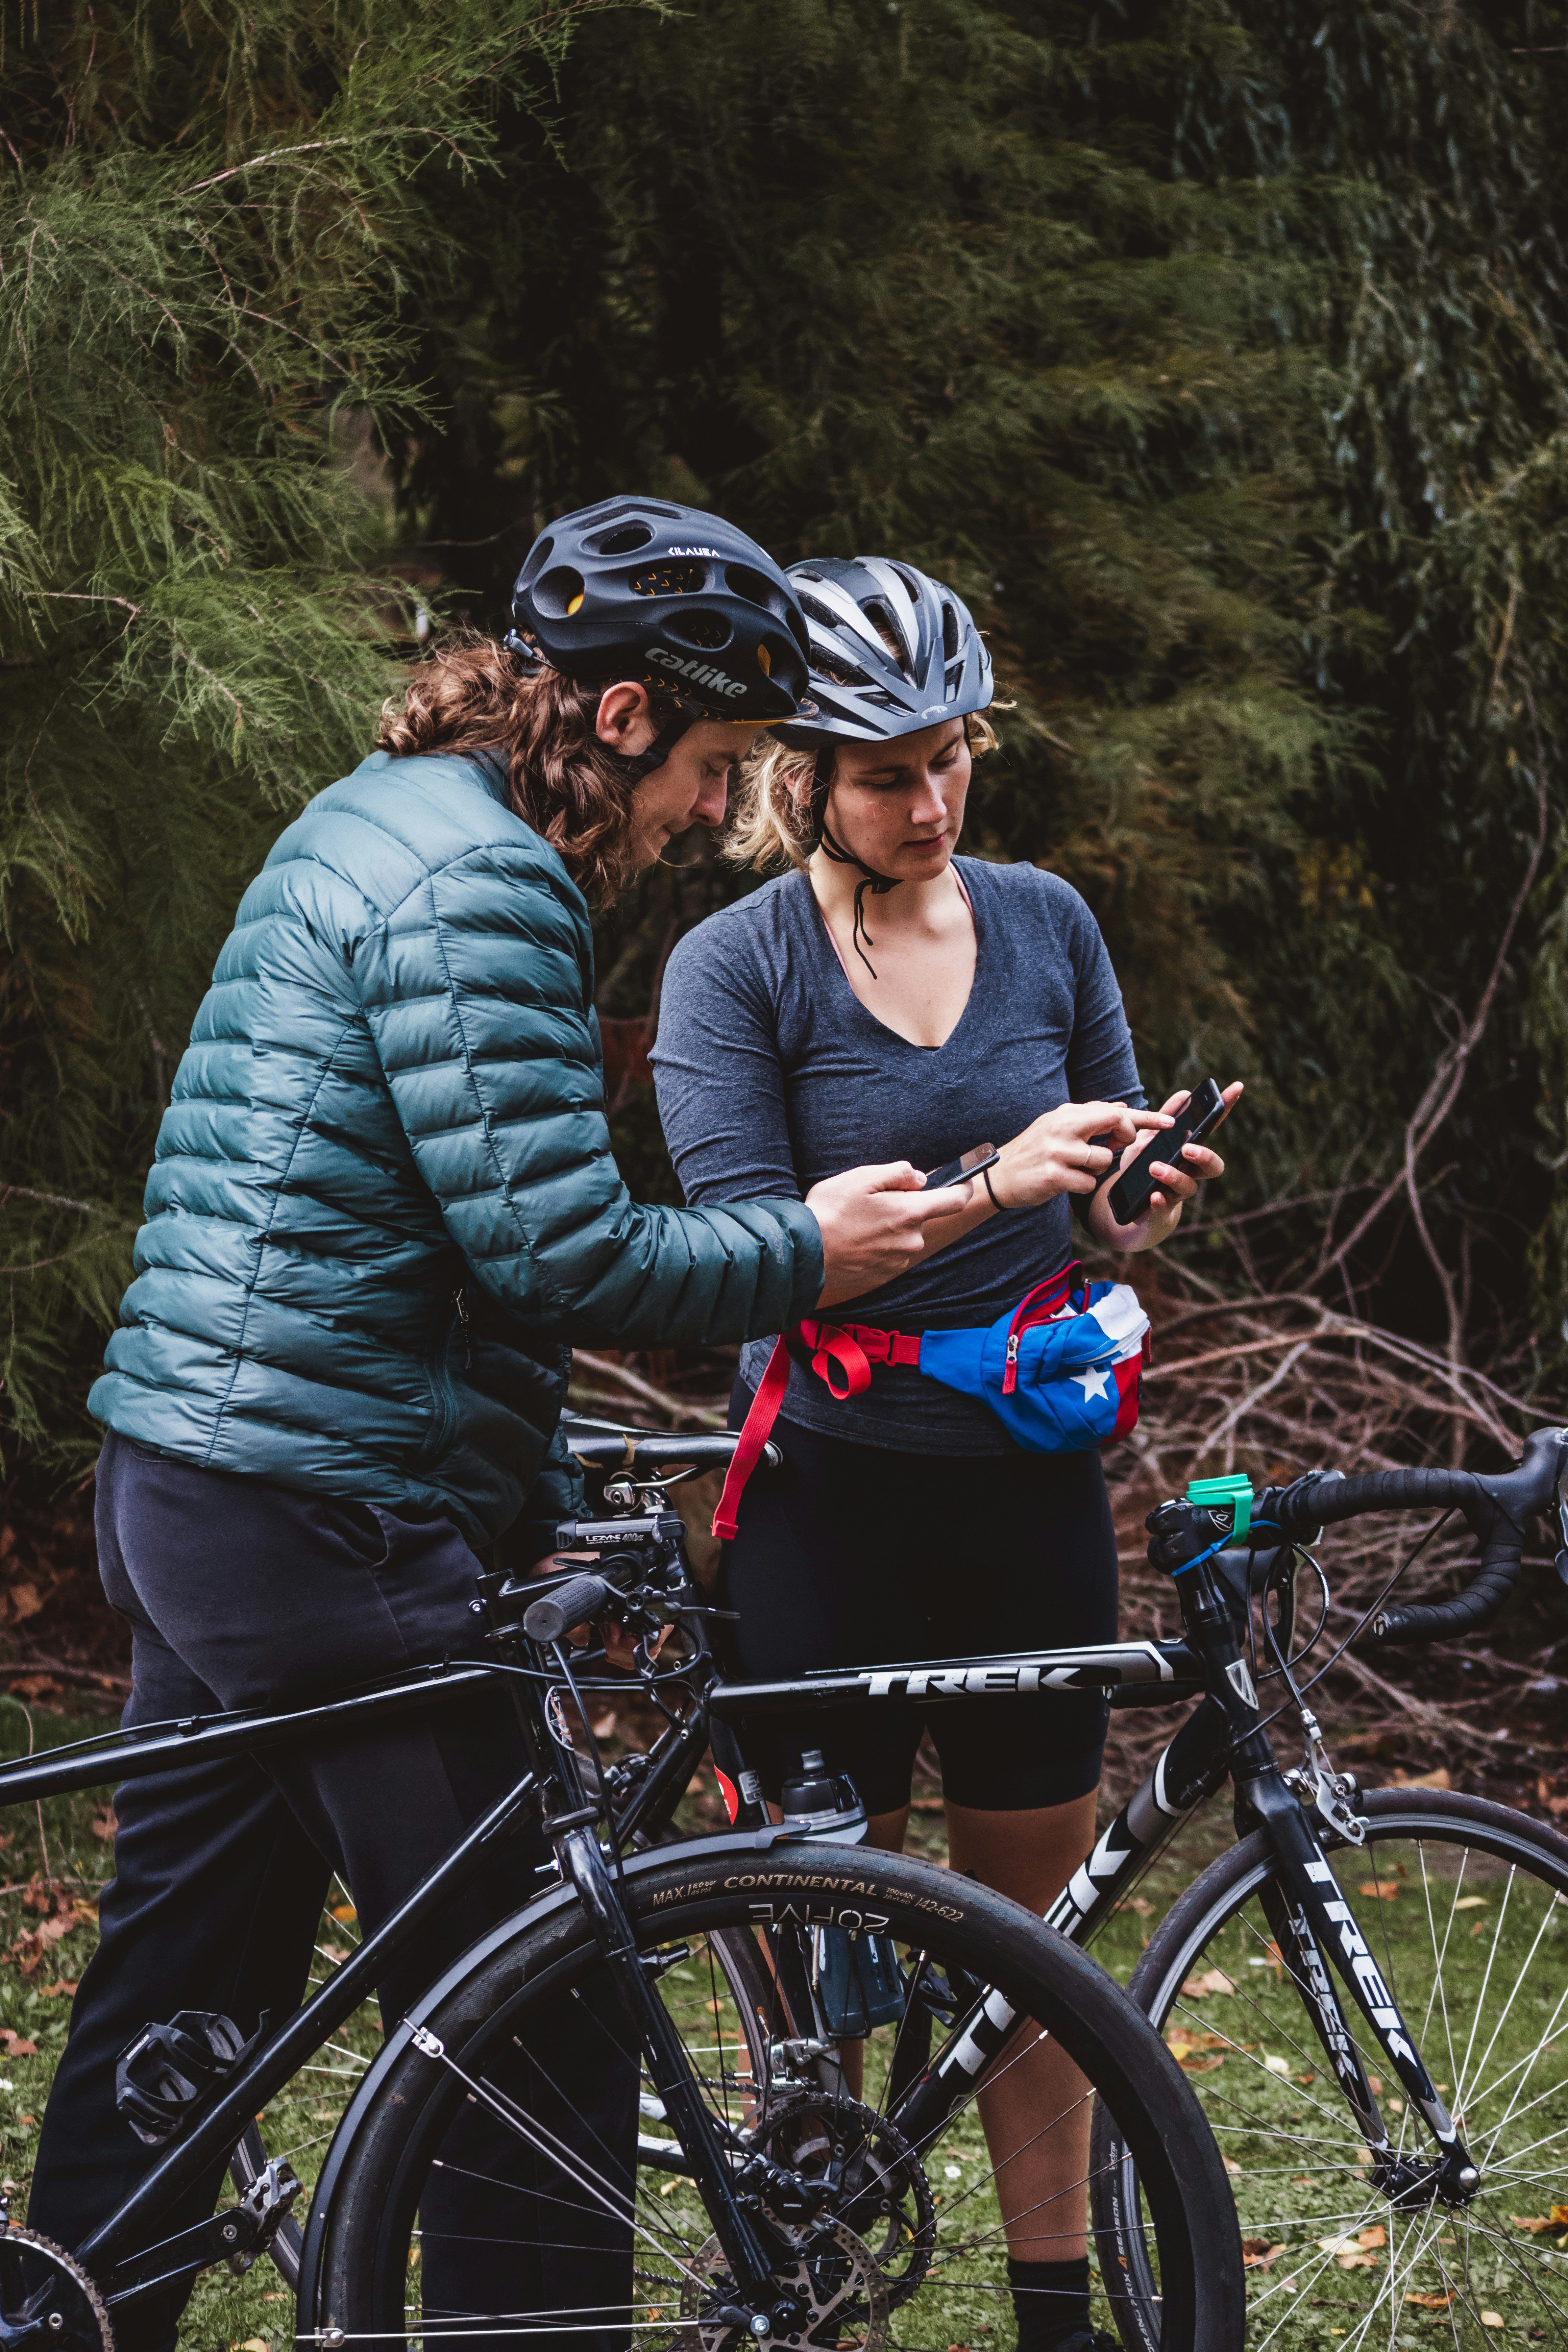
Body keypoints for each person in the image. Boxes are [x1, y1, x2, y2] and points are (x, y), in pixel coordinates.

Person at [29, 501, 971, 2351]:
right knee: (535, 2025)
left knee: (179, 2010)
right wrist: (811, 1250)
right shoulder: (484, 882)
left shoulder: (391, 816)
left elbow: (442, 1261)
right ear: (620, 720)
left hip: (206, 1484)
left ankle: (63, 2316)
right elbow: (553, 1254)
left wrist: (533, 1508)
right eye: (714, 765)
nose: (721, 813)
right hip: (312, 1511)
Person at [651, 553, 1241, 2352]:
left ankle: (1052, 2307)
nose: (932, 798)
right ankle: (811, 2287)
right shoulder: (732, 970)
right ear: (803, 777)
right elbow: (758, 1242)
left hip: (1026, 1499)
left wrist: (1131, 1204)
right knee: (818, 1965)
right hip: (826, 1499)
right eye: (890, 771)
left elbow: (1097, 1206)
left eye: (954, 756)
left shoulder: (1049, 926)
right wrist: (997, 1178)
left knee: (1033, 1947)